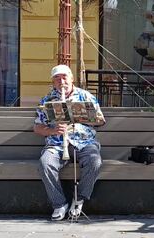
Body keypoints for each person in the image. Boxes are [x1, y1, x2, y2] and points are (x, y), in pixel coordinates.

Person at [34, 64, 106, 221]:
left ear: (72, 79)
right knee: (45, 163)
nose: (61, 81)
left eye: (64, 77)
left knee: (94, 161)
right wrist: (53, 131)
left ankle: (79, 199)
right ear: (53, 82)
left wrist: (81, 117)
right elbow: (37, 128)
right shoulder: (47, 100)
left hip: (84, 142)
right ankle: (59, 204)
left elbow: (101, 120)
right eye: (57, 78)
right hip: (57, 144)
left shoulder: (85, 96)